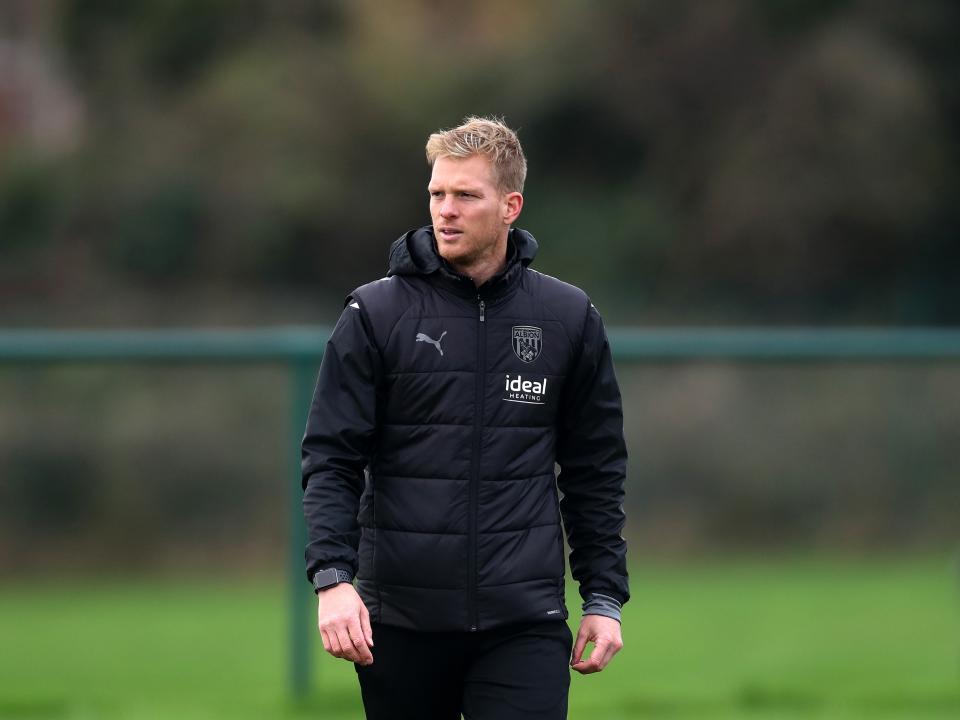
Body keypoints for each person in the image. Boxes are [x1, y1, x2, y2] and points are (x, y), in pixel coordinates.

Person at [302, 116, 629, 720]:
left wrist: (604, 596)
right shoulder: (374, 314)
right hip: (400, 623)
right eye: (437, 193)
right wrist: (333, 578)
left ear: (510, 206)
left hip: (525, 622)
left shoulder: (568, 317)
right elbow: (331, 460)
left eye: (465, 195)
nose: (445, 210)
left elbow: (595, 472)